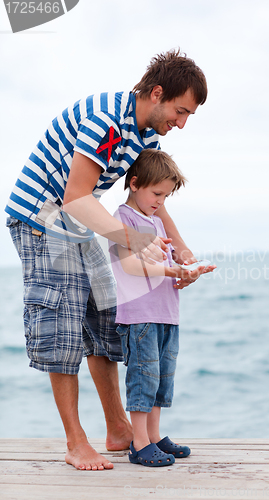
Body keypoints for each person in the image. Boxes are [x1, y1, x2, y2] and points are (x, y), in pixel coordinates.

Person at [5, 49, 208, 471]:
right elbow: (76, 194)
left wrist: (180, 251)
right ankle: (75, 442)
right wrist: (131, 241)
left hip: (79, 221)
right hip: (41, 217)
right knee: (61, 322)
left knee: (104, 316)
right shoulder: (106, 120)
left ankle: (119, 429)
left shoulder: (147, 137)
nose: (182, 123)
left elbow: (152, 202)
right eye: (180, 111)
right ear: (156, 94)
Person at [109, 149, 215, 467]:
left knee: (161, 378)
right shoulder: (122, 219)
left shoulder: (157, 220)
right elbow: (128, 264)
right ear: (135, 183)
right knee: (144, 377)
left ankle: (154, 436)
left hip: (166, 311)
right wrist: (171, 271)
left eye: (166, 196)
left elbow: (174, 259)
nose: (160, 201)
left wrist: (189, 269)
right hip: (139, 314)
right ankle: (139, 442)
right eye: (156, 193)